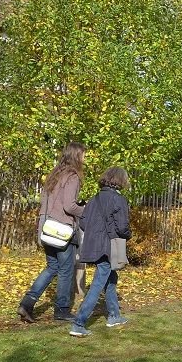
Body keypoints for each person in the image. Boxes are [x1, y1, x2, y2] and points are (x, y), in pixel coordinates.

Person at [18, 142, 86, 323]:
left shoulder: (54, 175)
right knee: (65, 271)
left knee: (52, 268)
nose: (85, 159)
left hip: (47, 228)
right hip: (62, 230)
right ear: (77, 156)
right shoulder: (72, 176)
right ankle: (62, 310)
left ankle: (27, 303)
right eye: (83, 155)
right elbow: (69, 206)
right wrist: (85, 210)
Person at [69, 166, 132, 337]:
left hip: (92, 245)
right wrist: (127, 236)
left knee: (111, 278)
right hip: (108, 246)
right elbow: (123, 226)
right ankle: (79, 323)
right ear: (120, 181)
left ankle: (114, 316)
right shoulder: (119, 200)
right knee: (99, 282)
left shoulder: (94, 199)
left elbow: (83, 223)